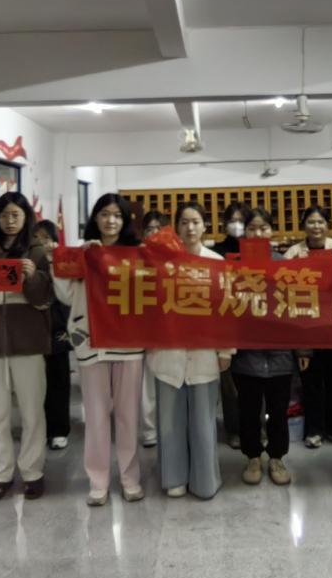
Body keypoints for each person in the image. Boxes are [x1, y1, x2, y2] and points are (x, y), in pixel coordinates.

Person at [51, 194, 147, 506]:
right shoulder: (84, 253)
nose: (111, 221)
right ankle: (98, 481)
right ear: (95, 218)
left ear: (125, 220)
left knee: (128, 416)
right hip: (91, 342)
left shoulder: (137, 254)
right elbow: (65, 295)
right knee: (95, 416)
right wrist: (71, 260)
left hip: (128, 343)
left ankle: (130, 478)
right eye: (104, 214)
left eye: (117, 215)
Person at [0, 192, 54, 502]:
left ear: (26, 217)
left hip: (28, 338)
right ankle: (1, 472)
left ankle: (32, 471)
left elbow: (45, 297)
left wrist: (33, 276)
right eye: (4, 215)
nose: (10, 221)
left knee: (32, 409)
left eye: (16, 215)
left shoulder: (37, 252)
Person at [146, 203, 231, 499]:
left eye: (196, 222)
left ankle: (205, 480)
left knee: (203, 421)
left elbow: (226, 311)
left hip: (205, 353)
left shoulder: (217, 262)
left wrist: (226, 351)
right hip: (168, 353)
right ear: (176, 227)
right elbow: (149, 307)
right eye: (184, 222)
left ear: (205, 226)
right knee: (169, 420)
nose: (190, 228)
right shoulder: (162, 262)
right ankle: (174, 478)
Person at [232, 207, 302, 486]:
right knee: (248, 410)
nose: (258, 233)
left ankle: (276, 457)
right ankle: (252, 456)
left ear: (271, 231)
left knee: (278, 410)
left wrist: (303, 350)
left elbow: (297, 309)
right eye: (252, 229)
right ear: (244, 232)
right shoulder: (233, 266)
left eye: (263, 228)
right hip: (245, 354)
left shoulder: (286, 266)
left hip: (280, 353)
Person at [285, 206, 332, 450]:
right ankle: (314, 430)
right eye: (311, 222)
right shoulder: (293, 253)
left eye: (320, 222)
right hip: (307, 326)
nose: (316, 227)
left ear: (328, 224)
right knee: (311, 382)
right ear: (304, 225)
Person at [33, 220, 72, 450]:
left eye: (46, 238)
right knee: (37, 383)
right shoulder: (29, 262)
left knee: (59, 380)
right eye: (37, 238)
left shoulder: (63, 262)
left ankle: (59, 430)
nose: (42, 243)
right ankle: (41, 429)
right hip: (34, 329)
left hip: (58, 329)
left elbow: (68, 296)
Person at [213, 201, 247, 449]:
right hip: (225, 321)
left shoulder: (256, 250)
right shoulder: (217, 251)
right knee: (229, 383)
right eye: (232, 220)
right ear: (225, 223)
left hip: (251, 322)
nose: (237, 225)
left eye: (241, 220)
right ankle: (233, 429)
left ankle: (255, 426)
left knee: (253, 381)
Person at [139, 209, 166, 447]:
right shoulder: (134, 256)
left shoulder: (176, 255)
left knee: (167, 380)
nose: (154, 233)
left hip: (168, 325)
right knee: (146, 383)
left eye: (159, 228)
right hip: (143, 325)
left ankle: (169, 427)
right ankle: (149, 430)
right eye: (149, 229)